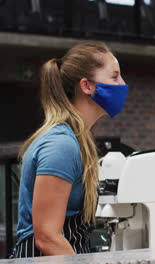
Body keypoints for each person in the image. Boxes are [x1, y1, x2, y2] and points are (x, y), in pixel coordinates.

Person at [10, 42, 128, 258]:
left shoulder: (77, 140)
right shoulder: (61, 145)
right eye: (114, 77)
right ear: (87, 86)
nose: (123, 84)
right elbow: (47, 237)